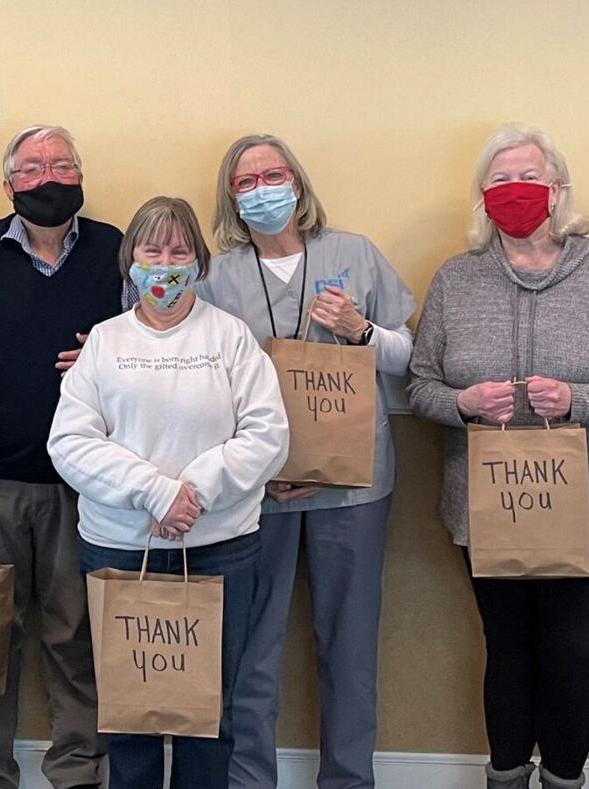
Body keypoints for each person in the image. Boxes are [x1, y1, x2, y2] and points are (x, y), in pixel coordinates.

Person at [408, 124, 589, 789]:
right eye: (498, 180)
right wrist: (465, 402)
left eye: (528, 177)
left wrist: (579, 398)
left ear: (557, 189)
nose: (514, 191)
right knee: (507, 650)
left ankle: (563, 778)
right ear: (481, 197)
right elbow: (419, 387)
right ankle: (503, 777)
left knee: (571, 653)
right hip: (488, 503)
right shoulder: (455, 279)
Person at [193, 133, 416, 789]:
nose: (263, 188)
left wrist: (360, 330)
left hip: (353, 489)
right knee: (251, 651)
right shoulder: (219, 277)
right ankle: (248, 778)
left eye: (274, 174)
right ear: (231, 198)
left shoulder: (355, 255)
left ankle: (349, 778)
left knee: (349, 650)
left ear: (299, 182)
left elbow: (413, 358)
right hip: (259, 491)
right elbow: (204, 386)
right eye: (246, 181)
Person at [48, 196, 289, 789]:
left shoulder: (232, 339)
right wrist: (155, 493)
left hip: (219, 548)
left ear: (199, 263)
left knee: (211, 711)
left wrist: (195, 494)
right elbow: (70, 442)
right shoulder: (104, 342)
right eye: (152, 250)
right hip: (120, 549)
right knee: (130, 712)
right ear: (130, 260)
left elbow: (267, 436)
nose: (165, 263)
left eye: (179, 251)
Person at [0, 125, 122, 789]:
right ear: (8, 183)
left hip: (89, 487)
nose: (49, 177)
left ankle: (78, 772)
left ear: (81, 175)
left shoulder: (118, 250)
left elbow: (154, 348)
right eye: (33, 167)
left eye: (63, 164)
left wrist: (108, 355)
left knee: (77, 638)